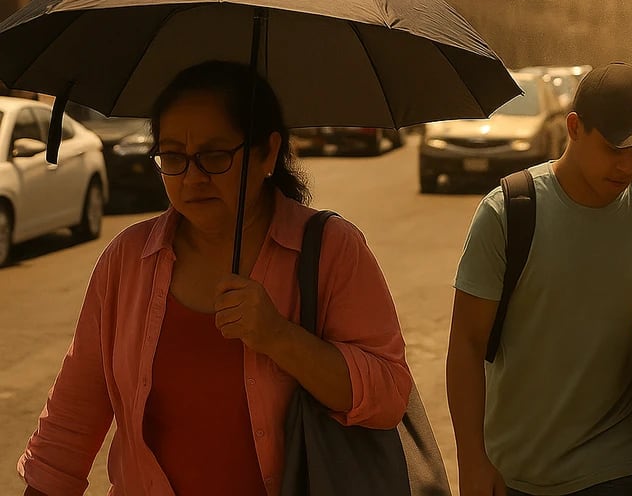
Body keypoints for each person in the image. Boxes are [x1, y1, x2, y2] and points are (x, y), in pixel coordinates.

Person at [18, 60, 412, 496]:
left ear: (267, 152)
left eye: (214, 157)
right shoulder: (127, 260)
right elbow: (71, 422)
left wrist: (280, 337)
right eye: (173, 157)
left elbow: (389, 396)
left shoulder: (331, 249)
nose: (192, 178)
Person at [447, 62, 632, 496]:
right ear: (574, 128)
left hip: (613, 463)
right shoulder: (508, 212)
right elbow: (466, 343)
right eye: (616, 148)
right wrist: (472, 461)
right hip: (514, 469)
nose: (629, 165)